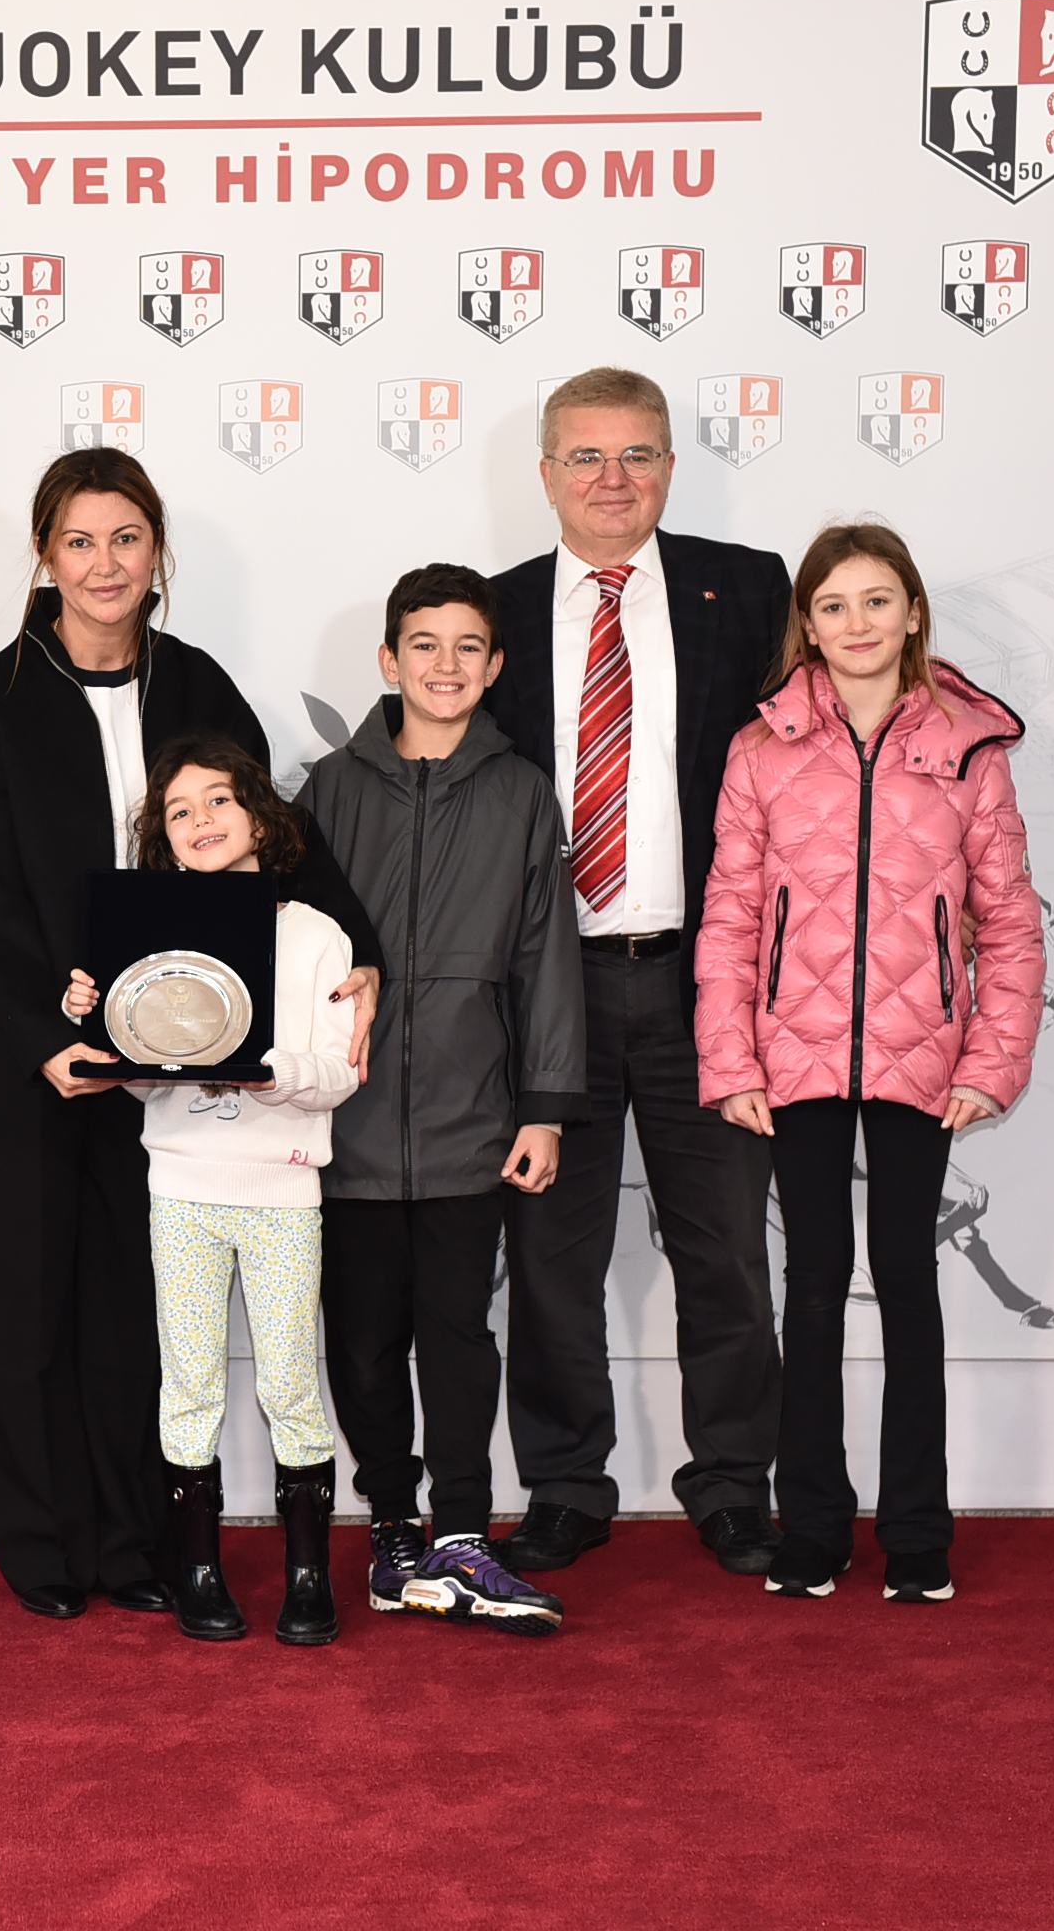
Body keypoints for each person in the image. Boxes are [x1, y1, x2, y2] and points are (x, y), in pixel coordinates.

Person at [0, 446, 383, 1623]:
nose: (104, 564)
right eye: (79, 541)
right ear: (44, 555)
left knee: (134, 1317)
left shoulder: (196, 682)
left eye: (126, 539)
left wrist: (358, 950)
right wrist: (41, 1033)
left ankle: (136, 1545)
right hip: (35, 1053)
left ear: (156, 553)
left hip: (181, 1061)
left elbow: (273, 832)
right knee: (27, 1305)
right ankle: (41, 1548)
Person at [695, 522, 1043, 1602]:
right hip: (792, 1056)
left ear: (912, 613)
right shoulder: (760, 749)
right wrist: (731, 1060)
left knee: (906, 1281)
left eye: (877, 600)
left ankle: (917, 1533)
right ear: (807, 622)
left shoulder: (968, 749)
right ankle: (810, 1527)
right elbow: (730, 915)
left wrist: (990, 1060)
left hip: (921, 1054)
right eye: (834, 605)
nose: (856, 623)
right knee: (807, 1287)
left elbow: (1008, 920)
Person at [483, 365, 792, 1579]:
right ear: (545, 472)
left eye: (636, 454)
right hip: (547, 990)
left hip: (701, 979)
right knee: (549, 1257)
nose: (612, 479)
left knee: (725, 1252)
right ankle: (563, 1484)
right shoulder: (495, 611)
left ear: (669, 463)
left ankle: (734, 1483)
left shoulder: (747, 590)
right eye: (585, 456)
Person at [295, 564, 585, 1636]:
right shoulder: (329, 791)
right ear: (388, 659)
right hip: (350, 1121)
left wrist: (543, 1106)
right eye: (424, 644)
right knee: (363, 1341)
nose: (445, 665)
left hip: (472, 1121)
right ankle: (391, 1531)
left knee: (459, 1335)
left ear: (495, 665)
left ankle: (462, 1532)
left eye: (468, 646)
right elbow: (290, 945)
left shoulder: (520, 793)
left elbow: (544, 956)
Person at [60, 736, 360, 1646]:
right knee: (188, 1384)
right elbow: (146, 1082)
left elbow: (342, 1073)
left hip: (283, 1193)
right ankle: (197, 1571)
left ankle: (308, 1575)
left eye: (219, 800)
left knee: (291, 1383)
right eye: (179, 811)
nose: (202, 820)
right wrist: (105, 1026)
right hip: (181, 1191)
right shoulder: (149, 934)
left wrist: (267, 1073)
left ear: (262, 816)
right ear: (162, 836)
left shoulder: (316, 935)